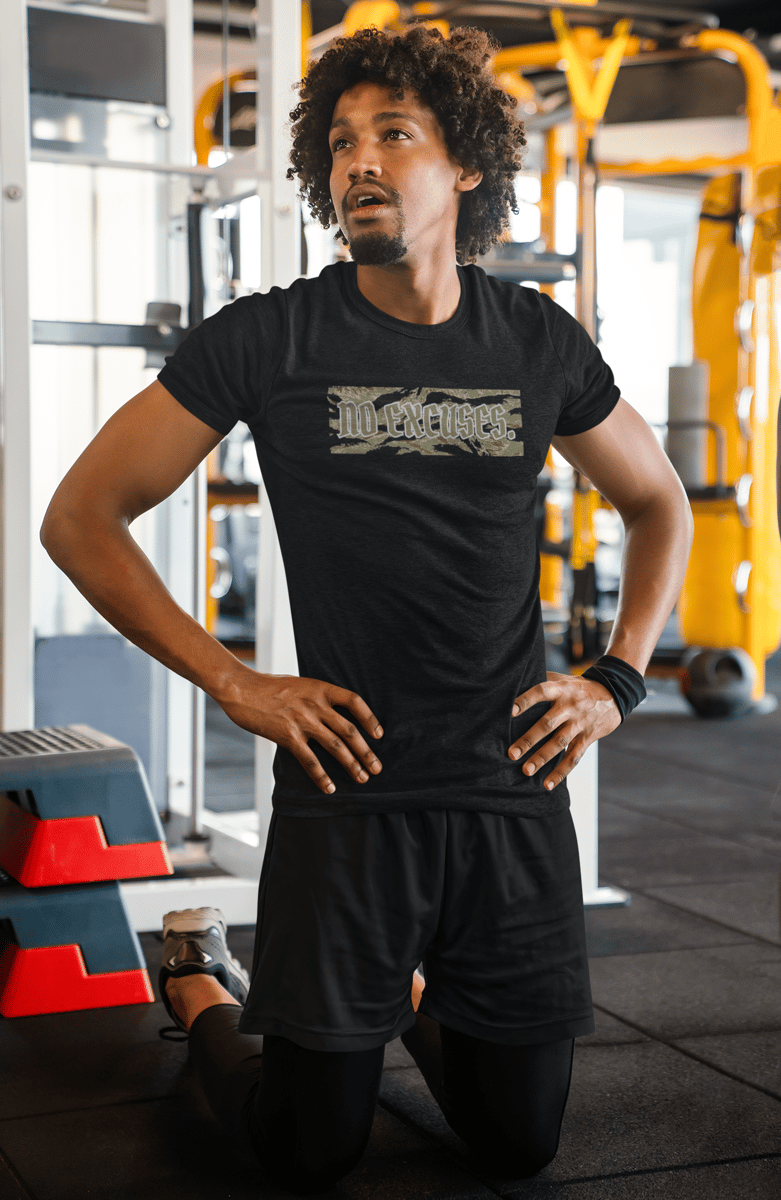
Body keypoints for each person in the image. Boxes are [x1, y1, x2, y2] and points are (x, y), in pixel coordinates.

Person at [41, 24, 693, 1197]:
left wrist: (617, 679)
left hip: (509, 788)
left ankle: (394, 992)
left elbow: (658, 503)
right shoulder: (270, 337)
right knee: (309, 1149)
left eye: (394, 133)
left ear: (467, 165)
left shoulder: (535, 339)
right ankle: (198, 980)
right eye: (341, 142)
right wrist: (233, 679)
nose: (359, 161)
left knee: (517, 1145)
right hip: (347, 790)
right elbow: (82, 516)